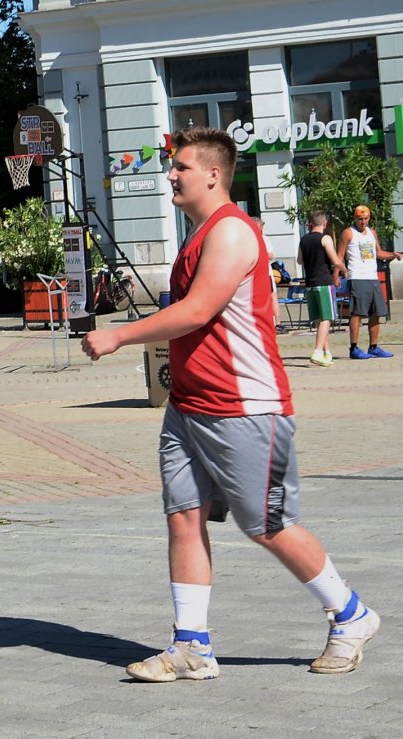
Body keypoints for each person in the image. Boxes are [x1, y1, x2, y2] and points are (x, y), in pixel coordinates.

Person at [83, 127, 380, 682]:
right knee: (184, 518)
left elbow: (198, 310)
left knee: (265, 523)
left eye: (182, 168)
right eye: (172, 168)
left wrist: (119, 336)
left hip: (245, 406)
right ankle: (191, 646)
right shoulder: (197, 235)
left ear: (214, 175)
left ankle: (351, 614)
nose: (171, 175)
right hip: (190, 408)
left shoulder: (233, 233)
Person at [338, 204, 401, 360]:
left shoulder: (372, 233)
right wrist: (336, 275)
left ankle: (374, 347)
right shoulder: (348, 233)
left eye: (365, 219)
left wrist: (392, 254)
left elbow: (378, 253)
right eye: (360, 219)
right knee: (357, 313)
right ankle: (354, 348)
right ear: (355, 218)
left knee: (376, 312)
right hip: (357, 277)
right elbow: (339, 256)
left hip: (372, 276)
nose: (363, 222)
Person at [297, 209, 341, 367]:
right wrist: (344, 268)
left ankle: (326, 353)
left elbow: (299, 261)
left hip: (310, 284)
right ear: (324, 223)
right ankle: (317, 351)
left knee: (319, 319)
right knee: (327, 318)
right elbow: (335, 260)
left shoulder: (303, 240)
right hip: (324, 281)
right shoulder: (325, 238)